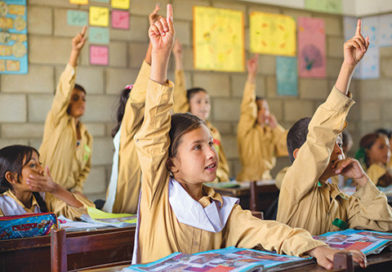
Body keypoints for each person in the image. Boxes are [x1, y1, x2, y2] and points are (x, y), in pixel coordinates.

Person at [133, 5, 366, 270]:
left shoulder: (221, 210)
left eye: (210, 143)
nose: (211, 153)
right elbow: (153, 132)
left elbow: (266, 230)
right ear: (171, 162)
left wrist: (313, 246)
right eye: (197, 147)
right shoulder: (159, 194)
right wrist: (161, 59)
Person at [277, 20, 392, 235]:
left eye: (339, 144)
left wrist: (362, 180)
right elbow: (321, 132)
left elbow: (386, 224)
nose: (340, 151)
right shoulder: (294, 183)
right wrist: (348, 67)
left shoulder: (338, 198)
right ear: (301, 154)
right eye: (333, 144)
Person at [102, 6, 160, 214]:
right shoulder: (128, 128)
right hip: (125, 206)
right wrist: (154, 45)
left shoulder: (153, 128)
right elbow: (140, 93)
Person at [39, 27, 92, 194]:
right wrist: (75, 53)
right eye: (75, 98)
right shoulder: (57, 119)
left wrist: (77, 189)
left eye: (83, 98)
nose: (81, 102)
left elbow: (85, 168)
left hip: (68, 196)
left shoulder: (85, 134)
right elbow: (64, 90)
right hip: (45, 195)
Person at [172, 40, 230, 182]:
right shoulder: (183, 131)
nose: (204, 106)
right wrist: (178, 58)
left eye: (207, 102)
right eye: (198, 102)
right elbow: (179, 91)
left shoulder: (214, 131)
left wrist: (222, 178)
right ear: (188, 105)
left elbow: (223, 164)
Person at [0, 145, 94, 219]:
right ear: (12, 177)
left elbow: (87, 213)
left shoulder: (45, 198)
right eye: (32, 165)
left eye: (39, 164)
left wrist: (56, 189)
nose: (41, 170)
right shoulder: (2, 205)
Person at [237, 55, 288, 182]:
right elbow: (248, 107)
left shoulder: (270, 132)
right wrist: (252, 76)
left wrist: (276, 127)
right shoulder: (246, 130)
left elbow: (288, 146)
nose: (265, 112)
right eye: (260, 108)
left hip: (267, 180)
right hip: (247, 181)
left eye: (267, 108)